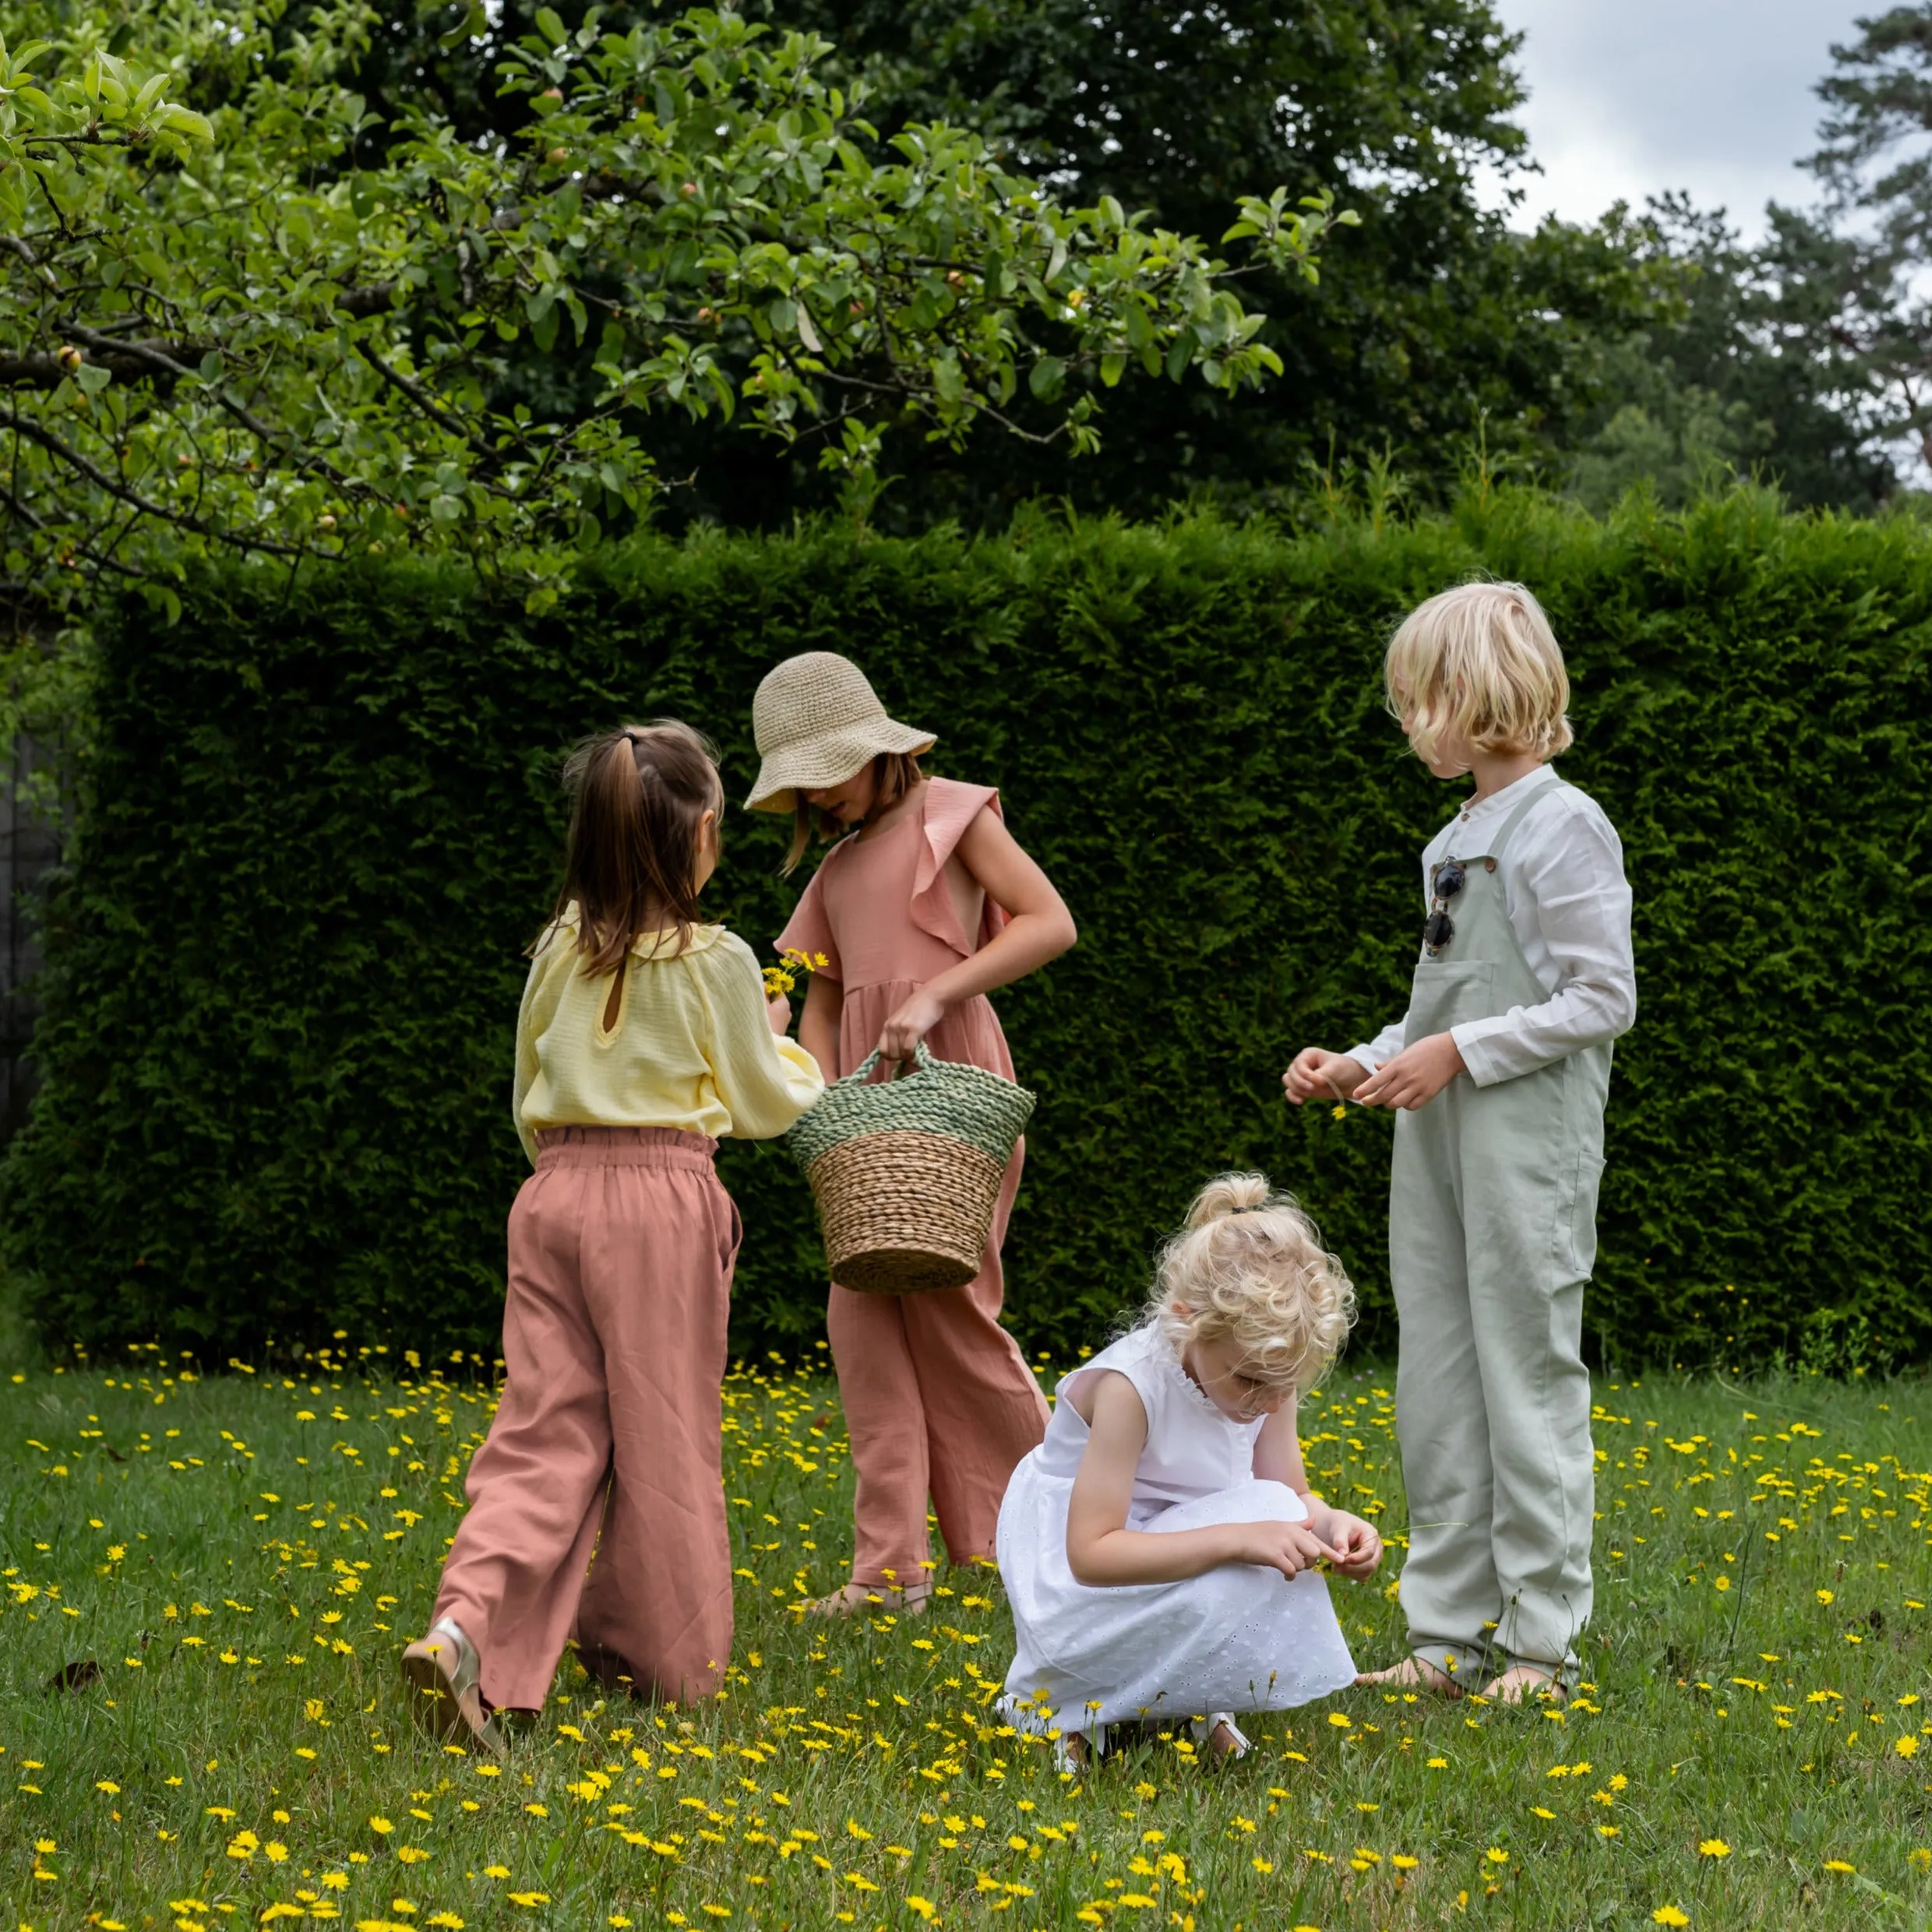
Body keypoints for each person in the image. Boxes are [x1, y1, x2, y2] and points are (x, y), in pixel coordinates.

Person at [402, 721, 824, 1752]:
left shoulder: (558, 947)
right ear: (704, 835)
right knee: (664, 1433)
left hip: (552, 1194)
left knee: (542, 1430)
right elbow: (767, 1103)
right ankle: (664, 1657)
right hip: (661, 1198)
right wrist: (787, 1042)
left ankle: (465, 1627)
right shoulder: (718, 959)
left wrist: (560, 1172)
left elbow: (523, 1093)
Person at [1283, 580, 1636, 1705]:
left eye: (1416, 700)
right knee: (1438, 1375)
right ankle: (1445, 1636)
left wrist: (1459, 1053)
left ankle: (1540, 1642)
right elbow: (1433, 1006)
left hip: (1525, 1149)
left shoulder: (1563, 822)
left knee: (1524, 1379)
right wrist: (1362, 1060)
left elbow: (1601, 996)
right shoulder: (1454, 834)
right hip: (1434, 1138)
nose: (1407, 724)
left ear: (1478, 694)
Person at [746, 651, 1077, 1616]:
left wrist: (936, 990)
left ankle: (1047, 1534)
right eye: (802, 788)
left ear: (874, 751)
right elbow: (816, 995)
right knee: (860, 1325)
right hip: (865, 1120)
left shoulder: (955, 814)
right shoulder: (836, 866)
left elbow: (1048, 922)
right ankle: (887, 1572)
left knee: (954, 1309)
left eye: (827, 776)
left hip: (954, 1092)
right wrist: (809, 1094)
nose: (819, 800)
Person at [995, 1173, 1380, 1765]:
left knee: (1278, 1518)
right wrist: (1239, 1539)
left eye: (1286, 1386)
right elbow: (1092, 1555)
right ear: (1187, 1321)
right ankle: (1052, 1701)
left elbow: (1291, 1493)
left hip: (1170, 1538)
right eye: (1251, 1380)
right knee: (1261, 1529)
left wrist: (1332, 1526)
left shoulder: (1266, 1381)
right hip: (1076, 1571)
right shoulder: (1131, 1390)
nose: (1269, 1403)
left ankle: (1189, 1700)